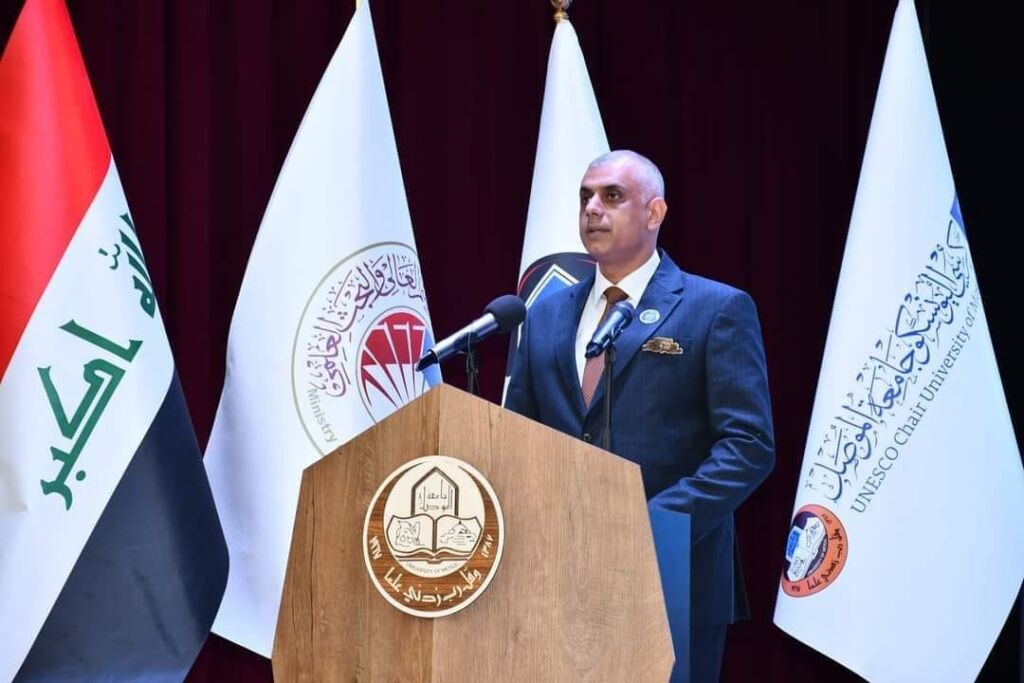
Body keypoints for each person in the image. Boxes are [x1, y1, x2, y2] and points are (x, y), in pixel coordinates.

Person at [505, 150, 775, 682]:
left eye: (612, 196)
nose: (592, 209)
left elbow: (748, 445)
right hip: (558, 574)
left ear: (655, 213)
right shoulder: (545, 313)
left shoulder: (714, 308)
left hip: (674, 573)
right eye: (585, 197)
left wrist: (654, 522)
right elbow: (519, 436)